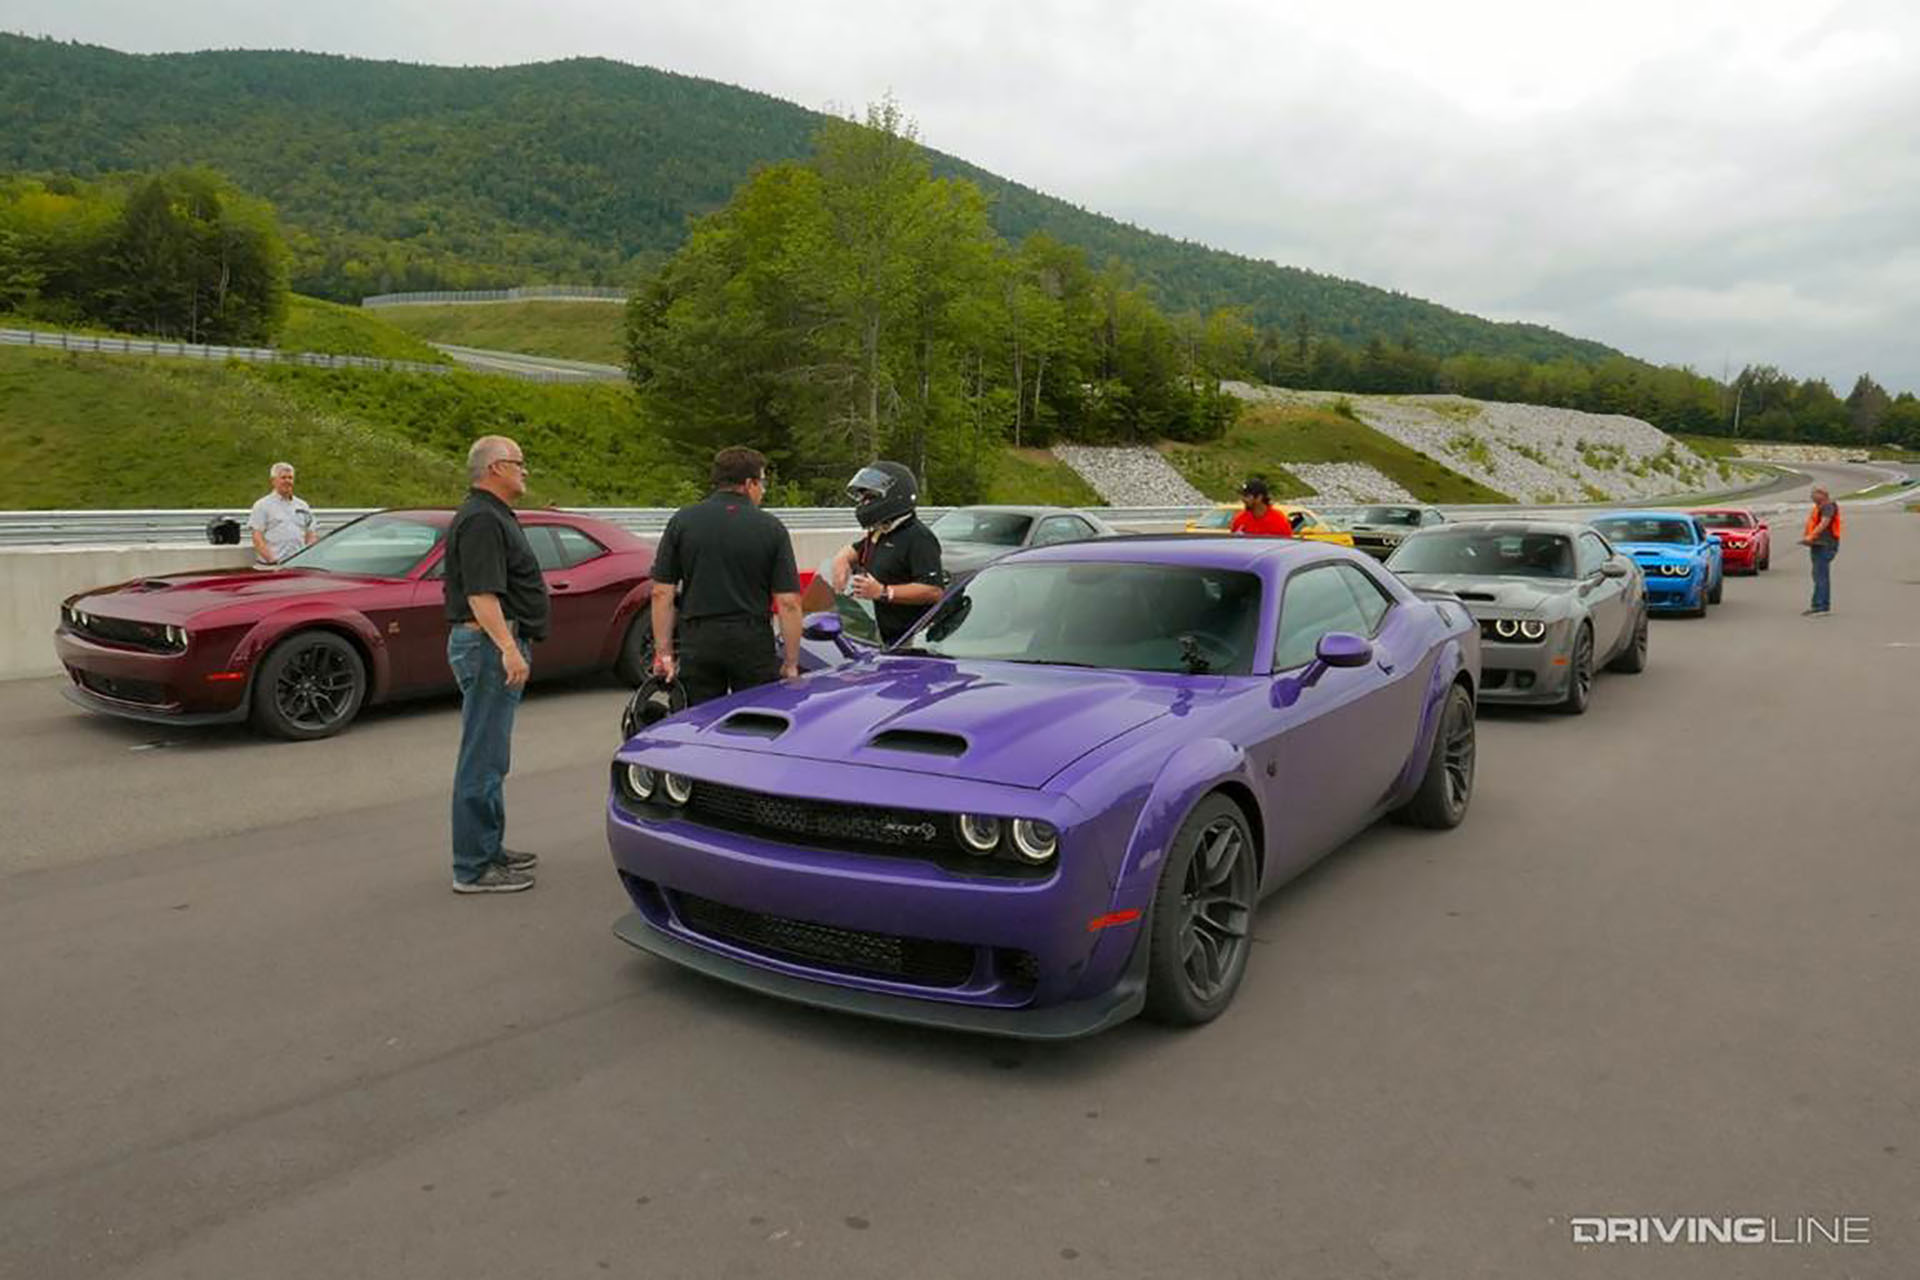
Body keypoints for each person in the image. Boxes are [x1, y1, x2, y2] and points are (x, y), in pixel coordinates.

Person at [442, 435, 548, 894]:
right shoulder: (482, 519)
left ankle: (489, 847)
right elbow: (481, 594)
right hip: (487, 647)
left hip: (493, 645)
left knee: (492, 756)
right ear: (496, 469)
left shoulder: (494, 515)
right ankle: (473, 866)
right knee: (482, 758)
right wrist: (507, 647)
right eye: (520, 463)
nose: (525, 471)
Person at [651, 447, 803, 705]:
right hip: (751, 640)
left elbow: (661, 592)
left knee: (697, 719)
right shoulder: (771, 528)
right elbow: (788, 602)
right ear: (748, 484)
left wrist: (664, 653)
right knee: (756, 719)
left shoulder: (683, 522)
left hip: (699, 639)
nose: (763, 491)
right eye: (761, 483)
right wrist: (790, 662)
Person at [828, 461, 945, 645]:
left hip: (911, 641)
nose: (864, 502)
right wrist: (840, 560)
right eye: (862, 497)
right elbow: (854, 550)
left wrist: (883, 592)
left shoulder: (919, 537)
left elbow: (934, 591)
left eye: (870, 496)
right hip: (881, 636)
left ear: (894, 496)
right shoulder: (882, 531)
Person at [247, 462, 318, 565]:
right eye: (283, 478)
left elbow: (311, 534)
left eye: (290, 478)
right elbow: (257, 538)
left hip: (298, 565)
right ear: (273, 481)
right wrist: (272, 560)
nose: (287, 481)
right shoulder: (262, 505)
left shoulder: (302, 506)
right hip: (272, 566)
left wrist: (307, 557)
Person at [1799, 485, 1843, 616]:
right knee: (1818, 575)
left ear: (1822, 494)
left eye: (1814, 493)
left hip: (1825, 545)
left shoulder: (1828, 506)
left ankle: (1821, 606)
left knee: (1821, 576)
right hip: (1818, 544)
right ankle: (1818, 605)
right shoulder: (1820, 507)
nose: (1811, 496)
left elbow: (1824, 523)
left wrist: (1811, 536)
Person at [1229, 476, 1296, 537]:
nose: (1243, 499)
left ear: (1259, 497)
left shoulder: (1279, 521)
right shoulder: (1239, 520)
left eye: (1247, 496)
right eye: (1243, 496)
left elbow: (1287, 545)